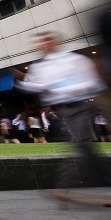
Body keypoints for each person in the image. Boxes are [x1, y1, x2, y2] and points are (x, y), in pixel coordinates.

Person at [12, 32, 111, 198]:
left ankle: (63, 187)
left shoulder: (74, 60)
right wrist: (23, 79)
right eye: (42, 42)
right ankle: (63, 187)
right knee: (79, 148)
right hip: (62, 111)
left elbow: (93, 83)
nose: (45, 44)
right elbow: (38, 86)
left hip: (79, 107)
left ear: (56, 42)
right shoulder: (40, 66)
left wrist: (59, 87)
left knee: (81, 146)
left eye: (48, 40)